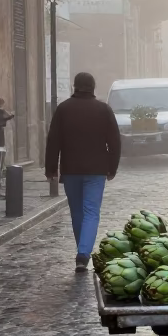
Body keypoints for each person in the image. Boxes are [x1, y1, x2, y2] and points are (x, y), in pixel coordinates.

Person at [45, 72, 121, 273]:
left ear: (74, 86)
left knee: (77, 212)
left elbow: (53, 140)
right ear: (93, 87)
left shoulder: (63, 109)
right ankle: (83, 253)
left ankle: (82, 252)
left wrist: (51, 168)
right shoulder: (104, 110)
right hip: (96, 170)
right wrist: (112, 167)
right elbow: (114, 142)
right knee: (91, 212)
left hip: (71, 169)